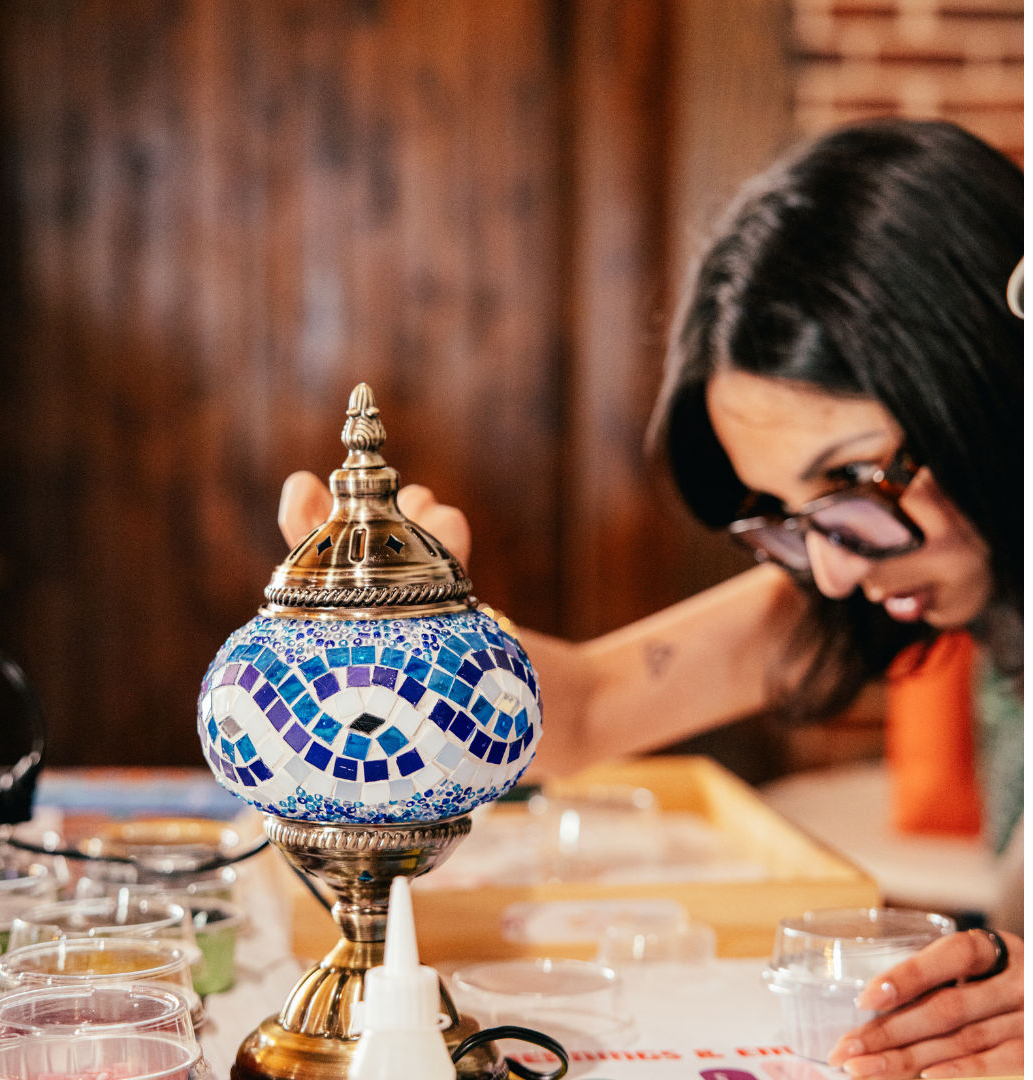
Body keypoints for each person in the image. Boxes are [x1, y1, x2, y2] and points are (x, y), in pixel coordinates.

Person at [277, 118, 1023, 1079]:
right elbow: (585, 708)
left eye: (851, 483)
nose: (833, 572)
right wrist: (425, 636)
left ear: (990, 387)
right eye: (790, 520)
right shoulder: (891, 566)